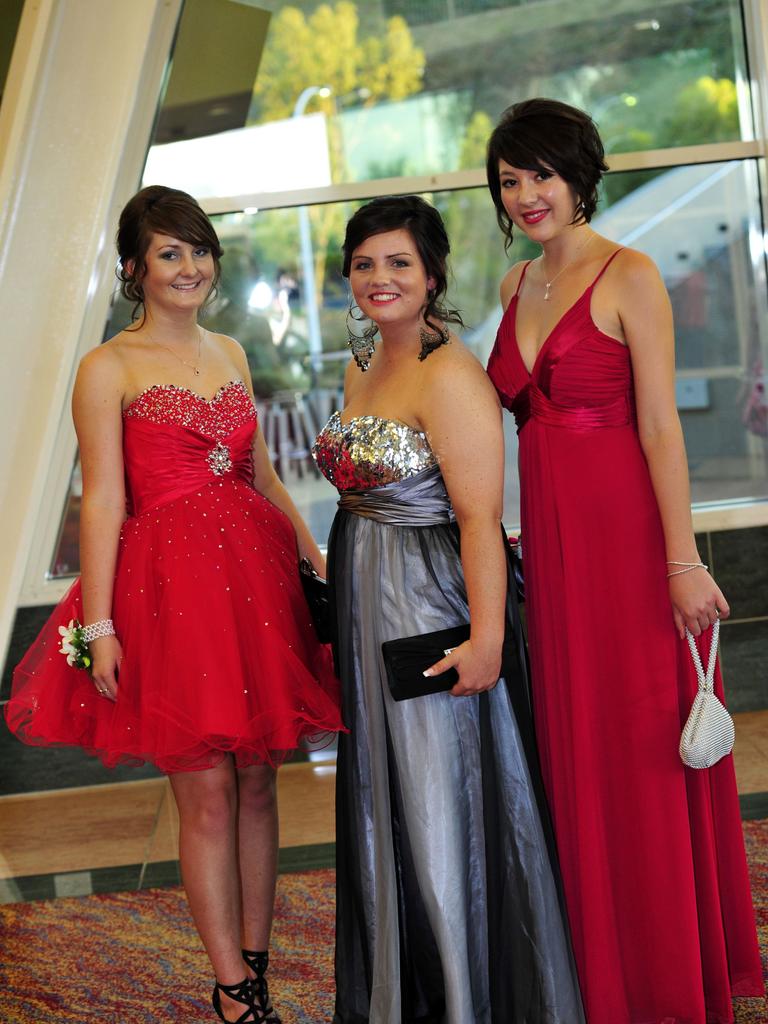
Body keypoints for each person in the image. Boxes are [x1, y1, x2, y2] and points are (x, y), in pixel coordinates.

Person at [4, 185, 345, 1024]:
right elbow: (105, 504)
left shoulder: (228, 349)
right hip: (170, 594)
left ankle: (256, 963)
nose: (190, 266)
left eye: (198, 250)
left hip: (256, 582)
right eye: (169, 252)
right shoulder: (108, 367)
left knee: (261, 781)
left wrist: (316, 561)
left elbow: (261, 475)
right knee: (206, 791)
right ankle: (230, 987)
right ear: (134, 268)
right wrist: (101, 623)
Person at [485, 98, 764, 1024]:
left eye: (542, 175)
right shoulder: (513, 286)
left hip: (629, 545)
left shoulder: (631, 273)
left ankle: (666, 977)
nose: (527, 195)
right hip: (554, 554)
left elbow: (659, 429)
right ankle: (598, 971)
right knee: (578, 745)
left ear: (579, 175)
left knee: (645, 749)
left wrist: (682, 563)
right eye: (511, 180)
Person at [312, 194, 584, 1023]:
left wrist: (489, 640)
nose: (380, 278)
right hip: (367, 599)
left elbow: (478, 523)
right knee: (384, 802)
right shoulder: (366, 361)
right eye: (364, 264)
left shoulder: (452, 375)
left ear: (432, 275)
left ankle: (467, 1003)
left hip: (428, 602)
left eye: (399, 263)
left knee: (437, 808)